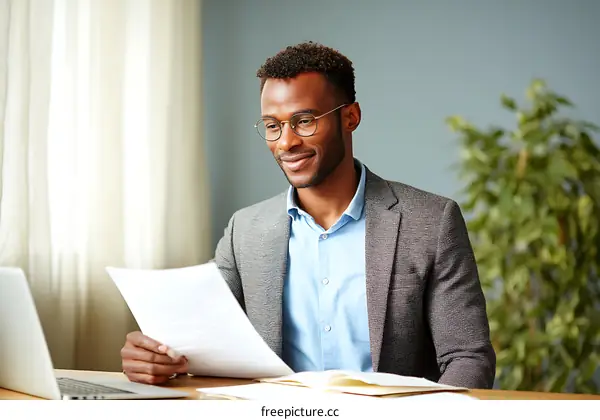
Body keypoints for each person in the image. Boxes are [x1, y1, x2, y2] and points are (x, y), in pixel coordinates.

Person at [121, 41, 496, 388]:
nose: (286, 142)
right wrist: (154, 357)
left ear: (350, 117)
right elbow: (200, 343)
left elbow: (467, 357)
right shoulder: (245, 231)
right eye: (272, 125)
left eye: (304, 121)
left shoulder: (431, 222)